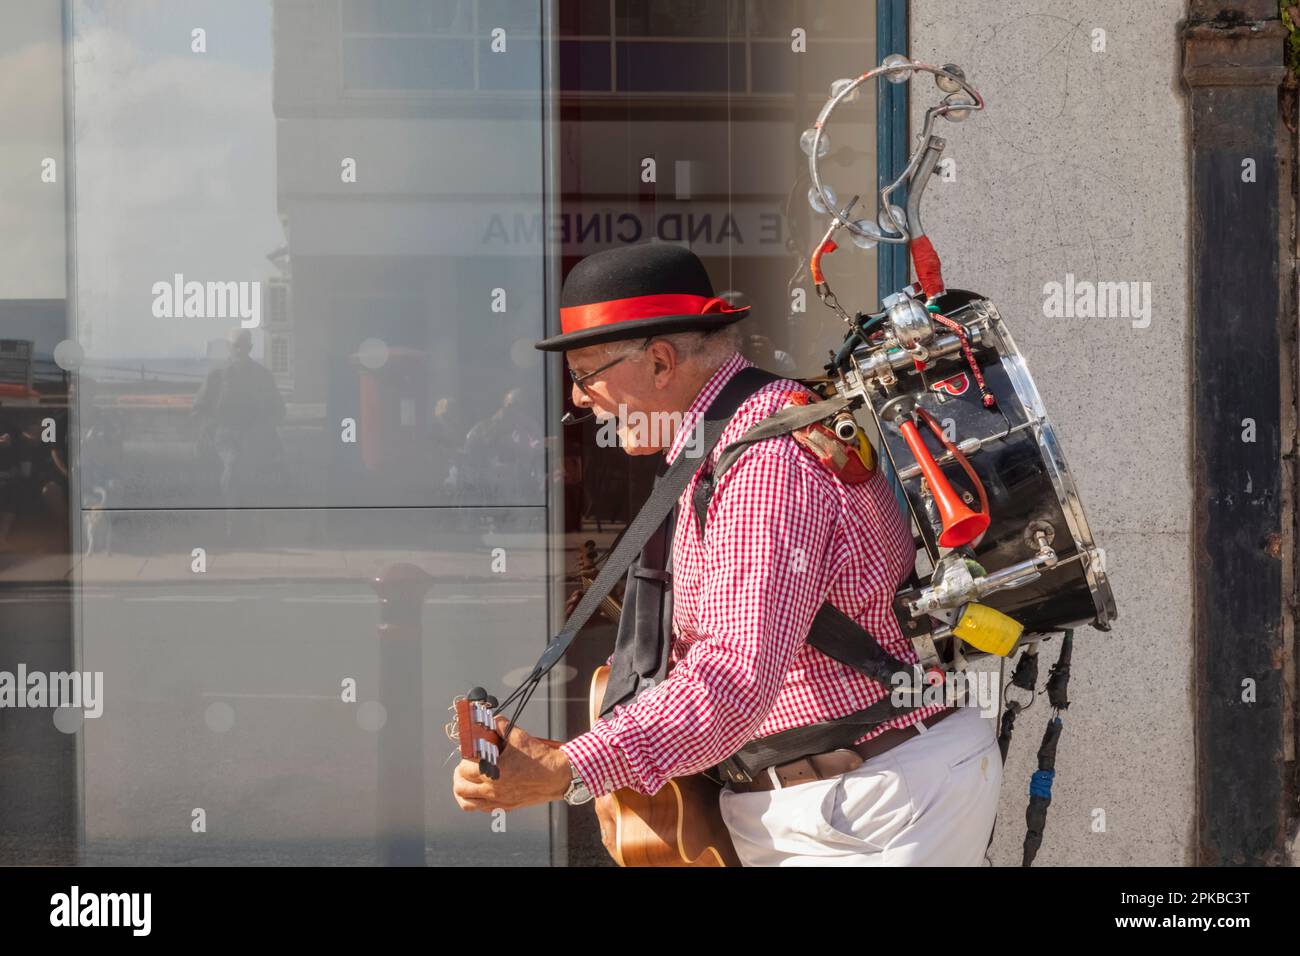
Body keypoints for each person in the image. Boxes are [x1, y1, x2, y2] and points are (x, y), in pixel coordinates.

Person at [451, 242, 1001, 865]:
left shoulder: (764, 461)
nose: (579, 399)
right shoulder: (728, 443)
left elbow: (734, 679)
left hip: (868, 806)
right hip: (836, 800)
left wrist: (565, 768)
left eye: (585, 374)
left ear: (659, 361)